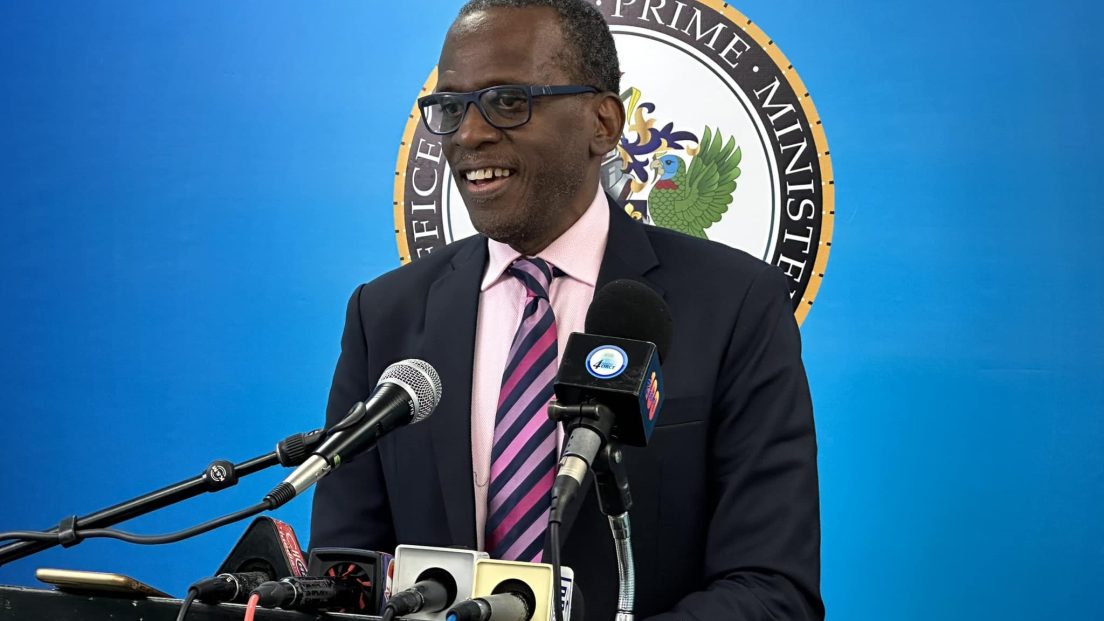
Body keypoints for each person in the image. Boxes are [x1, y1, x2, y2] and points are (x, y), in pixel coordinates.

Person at [310, 1, 823, 618]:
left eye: (507, 102)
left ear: (603, 123)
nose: (469, 135)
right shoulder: (384, 315)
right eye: (451, 108)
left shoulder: (734, 304)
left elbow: (772, 590)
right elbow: (344, 578)